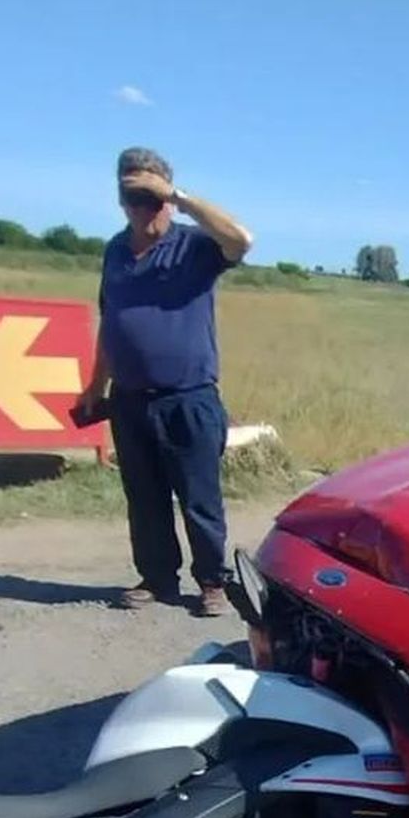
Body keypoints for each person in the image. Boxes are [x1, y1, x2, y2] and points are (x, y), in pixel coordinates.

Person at [75, 147, 254, 617]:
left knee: (199, 498)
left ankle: (213, 582)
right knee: (145, 498)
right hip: (130, 400)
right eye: (130, 194)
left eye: (150, 195)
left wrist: (178, 195)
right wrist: (96, 386)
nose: (140, 205)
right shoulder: (115, 250)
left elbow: (242, 240)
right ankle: (156, 578)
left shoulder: (195, 246)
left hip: (188, 398)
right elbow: (111, 321)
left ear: (168, 198)